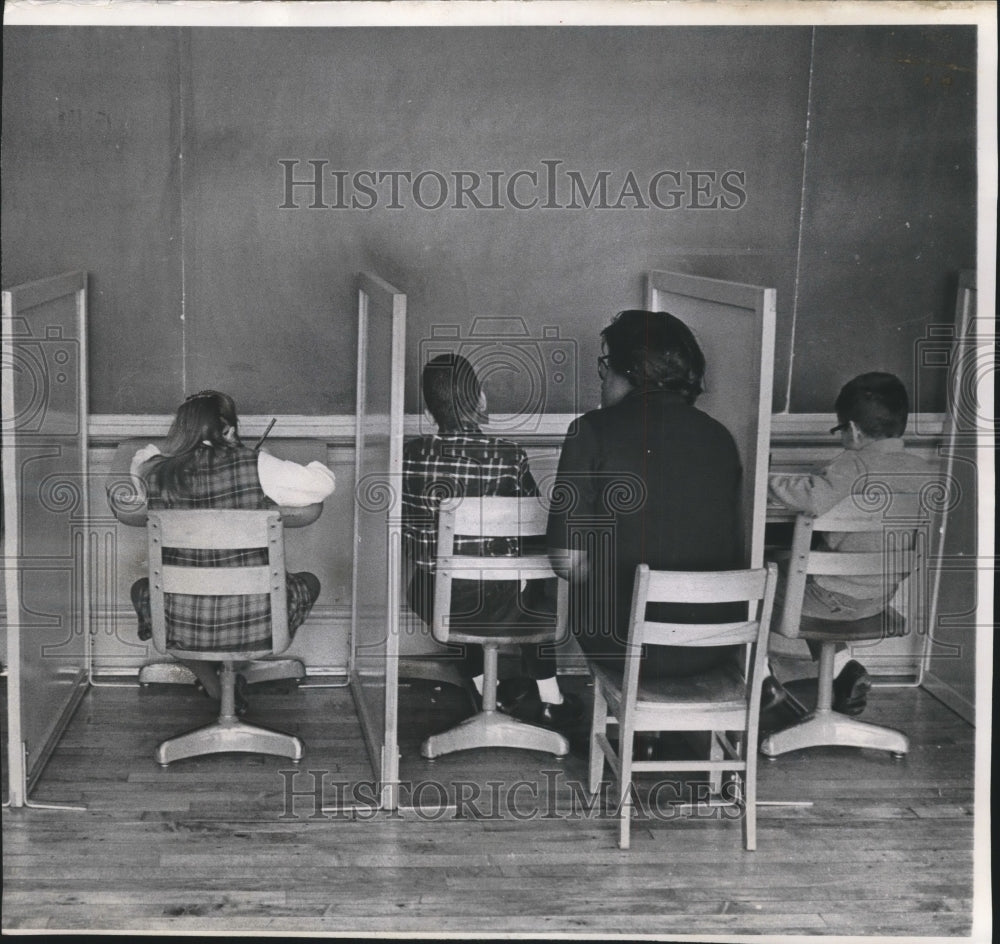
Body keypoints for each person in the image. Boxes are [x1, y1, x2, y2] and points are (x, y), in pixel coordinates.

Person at [546, 309, 744, 682]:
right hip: (716, 641)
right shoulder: (720, 437)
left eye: (606, 365)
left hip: (623, 644)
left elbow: (566, 562)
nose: (602, 376)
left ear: (629, 371)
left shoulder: (590, 431)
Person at [402, 353, 580, 731]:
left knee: (455, 581)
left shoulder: (413, 454)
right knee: (538, 578)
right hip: (497, 598)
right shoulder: (507, 455)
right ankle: (551, 699)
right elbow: (533, 526)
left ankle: (491, 690)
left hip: (433, 595)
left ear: (431, 407)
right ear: (479, 398)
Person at [129, 390, 335, 711]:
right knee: (309, 581)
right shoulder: (256, 464)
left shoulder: (153, 470)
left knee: (144, 590)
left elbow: (142, 458)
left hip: (181, 623)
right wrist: (266, 459)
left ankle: (214, 684)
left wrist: (168, 450)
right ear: (228, 429)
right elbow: (322, 483)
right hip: (255, 622)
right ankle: (230, 676)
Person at [766, 371, 936, 715]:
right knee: (807, 573)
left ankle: (761, 682)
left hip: (830, 599)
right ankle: (845, 668)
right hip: (878, 598)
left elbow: (812, 499)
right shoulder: (923, 472)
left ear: (854, 430)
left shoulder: (852, 464)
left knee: (764, 577)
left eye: (840, 428)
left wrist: (769, 479)